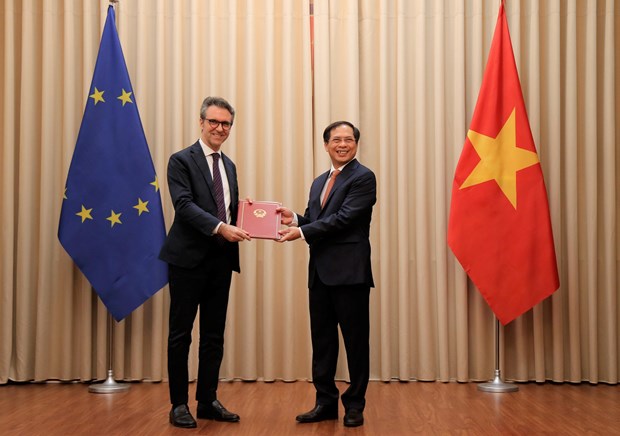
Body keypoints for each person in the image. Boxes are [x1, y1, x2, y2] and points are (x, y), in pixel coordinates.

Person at [277, 121, 377, 428]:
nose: (343, 144)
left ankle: (355, 404)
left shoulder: (363, 178)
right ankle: (324, 402)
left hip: (350, 273)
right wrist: (293, 218)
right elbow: (318, 220)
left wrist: (301, 231)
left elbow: (344, 220)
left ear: (356, 144)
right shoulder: (319, 182)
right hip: (320, 274)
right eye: (337, 139)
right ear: (326, 145)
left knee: (355, 342)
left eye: (349, 139)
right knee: (322, 342)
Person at [159, 96, 251, 429]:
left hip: (221, 261)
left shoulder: (229, 166)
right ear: (201, 122)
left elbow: (229, 209)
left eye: (226, 123)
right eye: (214, 121)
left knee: (214, 335)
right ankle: (179, 404)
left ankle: (208, 400)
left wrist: (254, 215)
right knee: (180, 334)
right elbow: (184, 206)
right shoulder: (180, 160)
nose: (220, 128)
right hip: (186, 260)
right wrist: (220, 227)